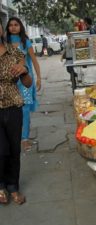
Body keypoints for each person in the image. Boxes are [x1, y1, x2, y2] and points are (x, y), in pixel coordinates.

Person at [0, 17, 32, 205]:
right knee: (0, 150)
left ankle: (13, 187)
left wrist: (24, 71)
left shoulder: (15, 52)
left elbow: (27, 84)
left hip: (13, 107)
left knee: (13, 149)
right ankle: (0, 185)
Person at [6, 17, 41, 151]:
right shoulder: (5, 43)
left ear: (20, 26)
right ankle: (14, 137)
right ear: (7, 28)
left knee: (25, 110)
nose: (13, 27)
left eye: (16, 25)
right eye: (10, 25)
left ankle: (24, 139)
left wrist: (39, 78)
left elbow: (34, 61)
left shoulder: (25, 42)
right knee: (13, 110)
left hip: (26, 81)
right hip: (10, 82)